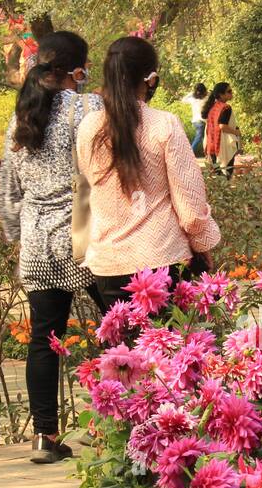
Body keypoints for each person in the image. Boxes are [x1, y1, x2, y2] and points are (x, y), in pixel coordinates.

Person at [0, 30, 105, 464]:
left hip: (36, 234)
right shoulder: (89, 106)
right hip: (85, 222)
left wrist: (17, 236)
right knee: (123, 326)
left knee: (44, 338)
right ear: (78, 69)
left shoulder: (19, 115)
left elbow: (9, 192)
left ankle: (45, 437)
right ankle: (132, 424)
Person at [78, 36, 220, 312]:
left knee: (124, 352)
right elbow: (189, 206)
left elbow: (85, 189)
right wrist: (202, 246)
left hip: (108, 265)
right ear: (151, 79)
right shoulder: (164, 124)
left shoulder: (89, 128)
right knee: (166, 348)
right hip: (161, 260)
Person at [202, 82, 240, 178]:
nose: (232, 93)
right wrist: (236, 132)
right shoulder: (226, 107)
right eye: (229, 91)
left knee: (218, 176)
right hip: (223, 147)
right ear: (221, 94)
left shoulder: (213, 107)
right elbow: (222, 126)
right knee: (226, 175)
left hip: (212, 147)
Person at [181, 82, 207, 156]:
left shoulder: (193, 99)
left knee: (203, 138)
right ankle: (189, 153)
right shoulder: (205, 99)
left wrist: (192, 93)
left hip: (195, 121)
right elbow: (210, 96)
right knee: (199, 137)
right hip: (201, 121)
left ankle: (208, 155)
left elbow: (183, 100)